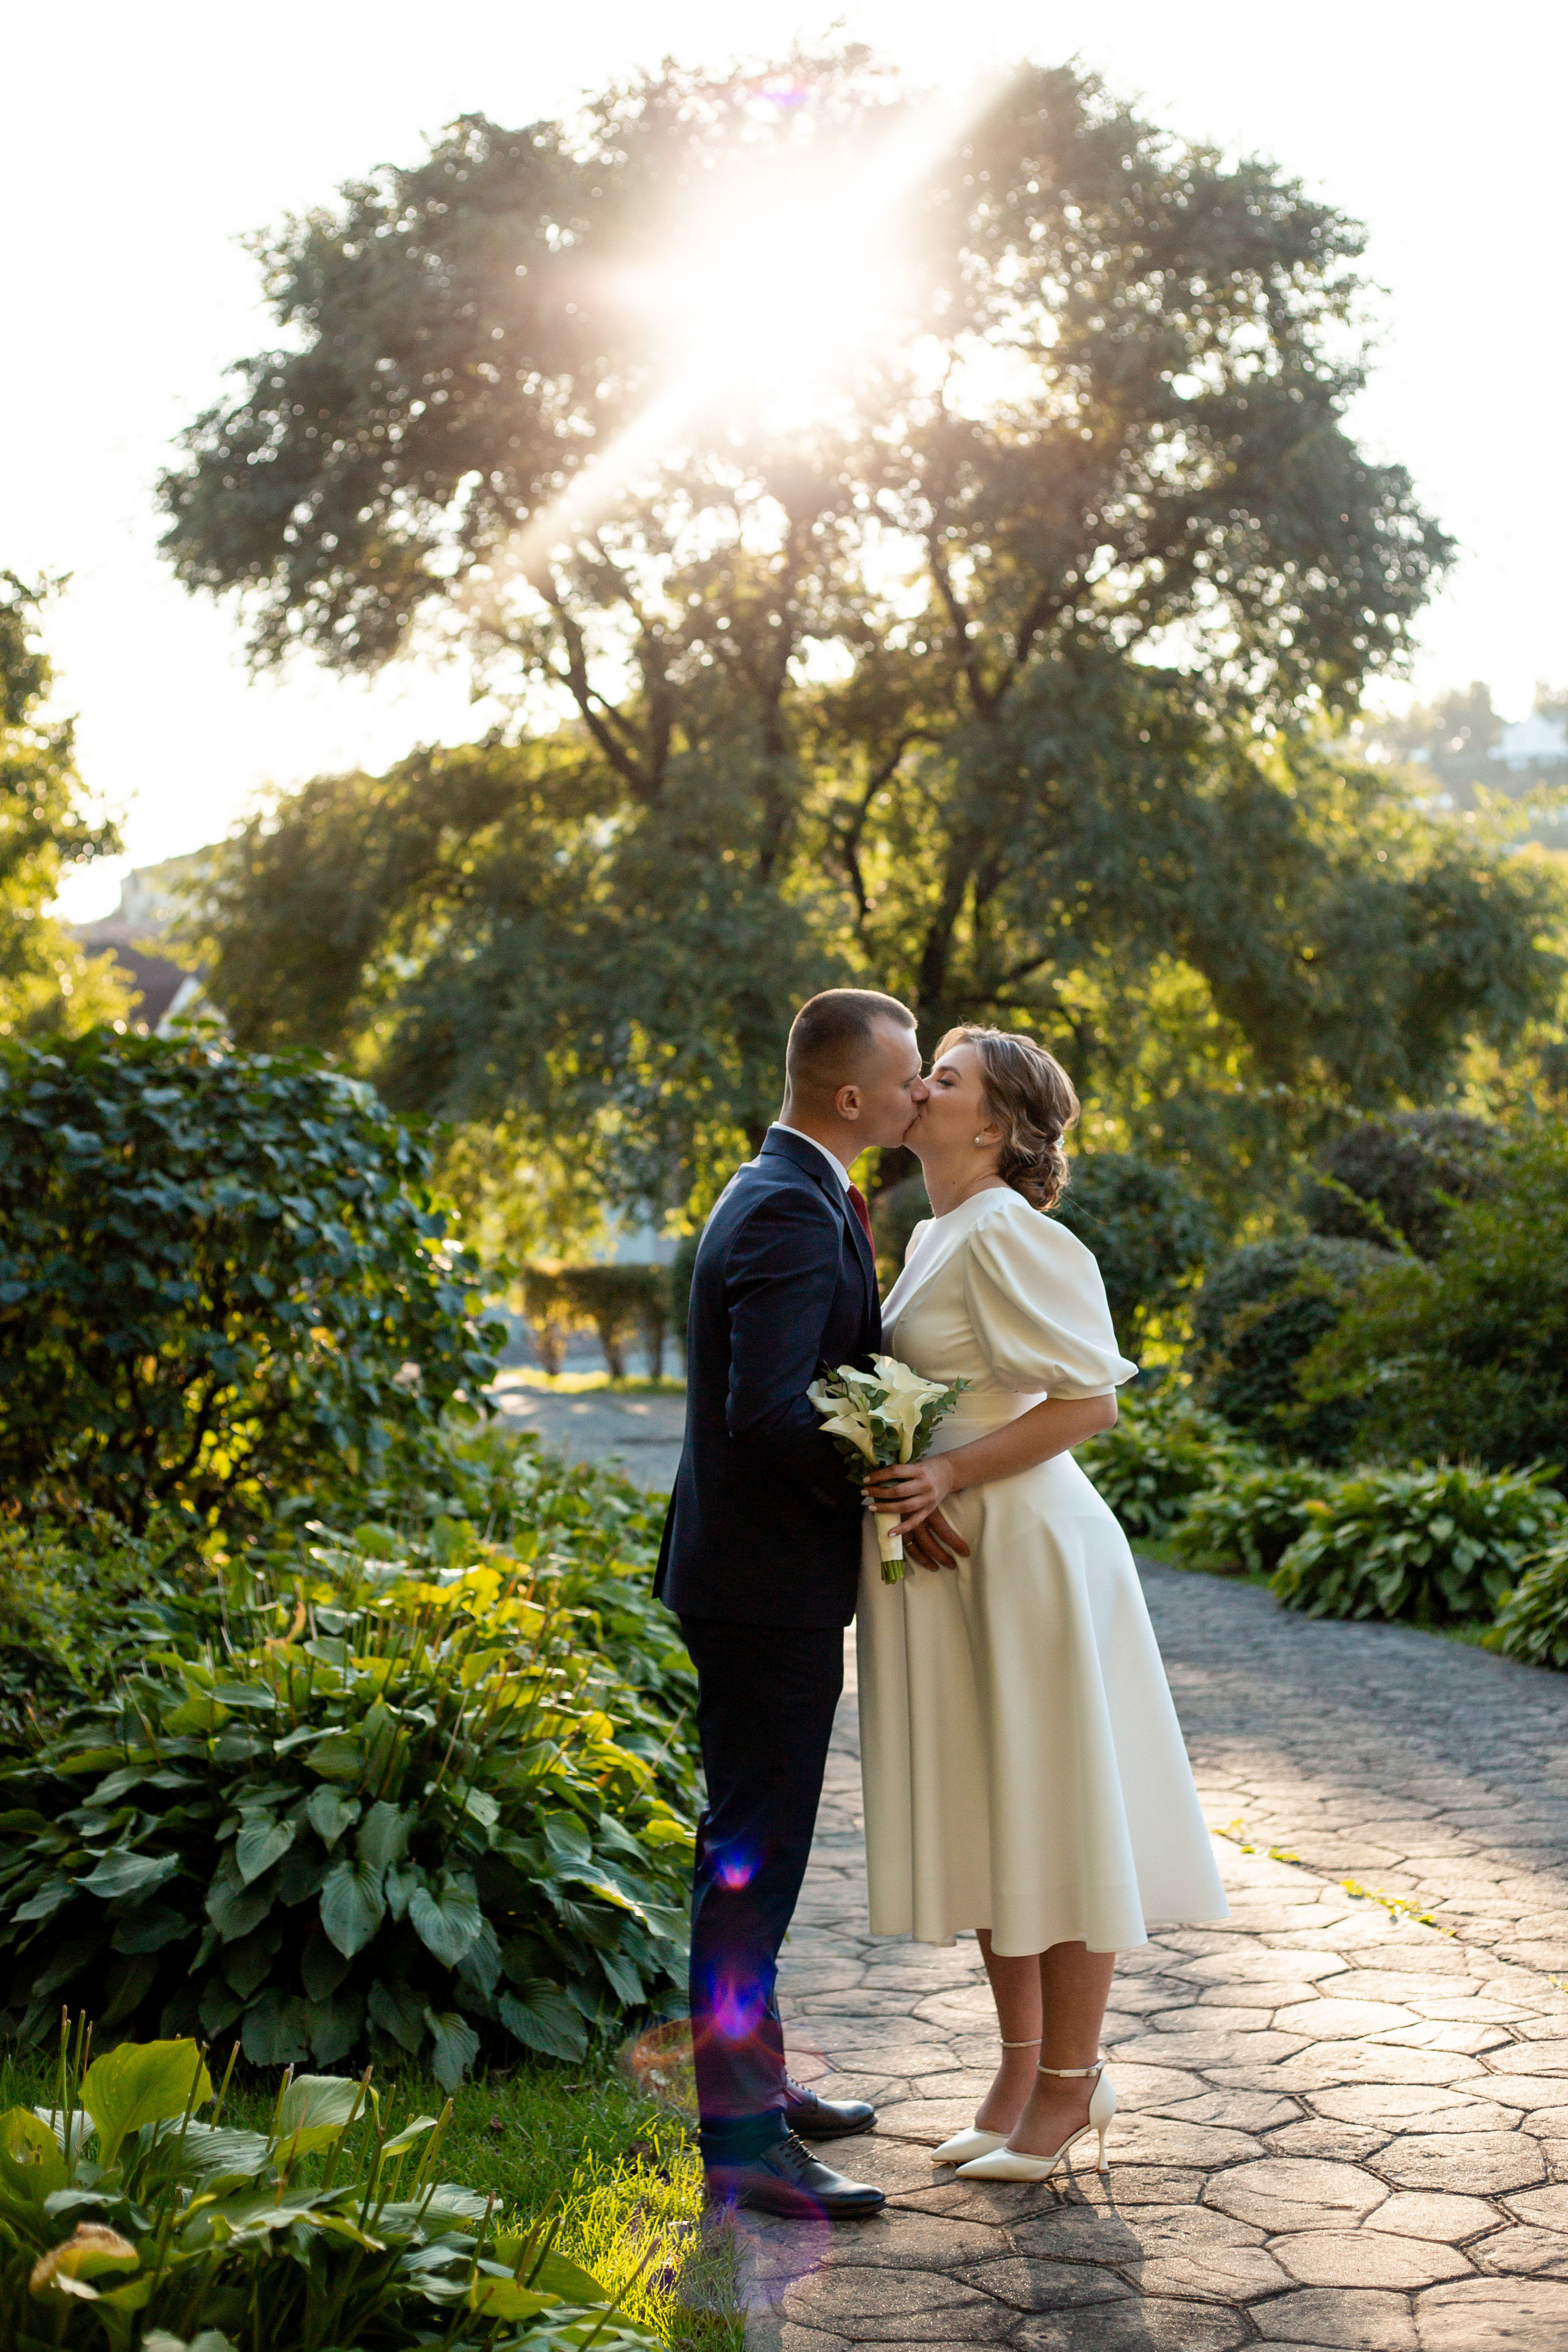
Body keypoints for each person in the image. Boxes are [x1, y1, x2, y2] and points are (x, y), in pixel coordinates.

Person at [858, 1026, 1229, 2183]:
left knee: (1054, 1812)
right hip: (959, 1555)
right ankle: (1021, 2075)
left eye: (946, 1077)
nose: (920, 1086)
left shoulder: (1014, 1232)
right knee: (996, 1811)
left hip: (1029, 1550)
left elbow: (1089, 1404)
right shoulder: (935, 1232)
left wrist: (947, 1473)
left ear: (996, 1125)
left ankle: (1071, 2082)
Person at [654, 988, 929, 2219]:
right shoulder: (784, 1205)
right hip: (762, 1588)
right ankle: (742, 2143)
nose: (921, 1090)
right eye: (909, 1074)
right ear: (853, 1095)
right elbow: (766, 1413)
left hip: (750, 1579)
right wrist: (881, 1480)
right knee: (748, 1868)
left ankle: (755, 2086)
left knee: (747, 1855)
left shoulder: (787, 1186)